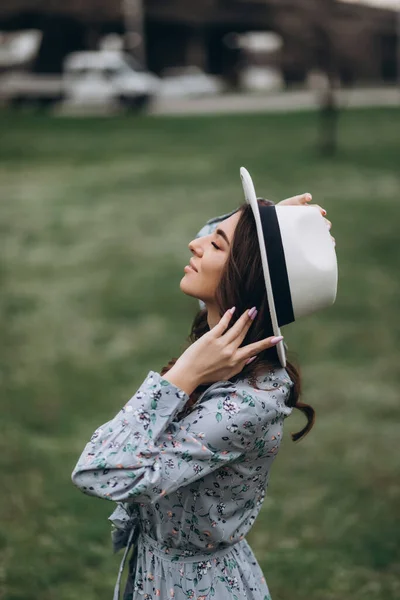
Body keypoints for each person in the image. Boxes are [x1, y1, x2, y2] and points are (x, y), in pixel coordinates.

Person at [71, 168, 337, 600]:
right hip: (159, 574)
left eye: (217, 243)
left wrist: (181, 377)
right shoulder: (229, 338)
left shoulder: (248, 403)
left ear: (246, 281)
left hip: (195, 588)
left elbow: (98, 470)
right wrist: (266, 225)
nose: (196, 243)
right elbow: (220, 252)